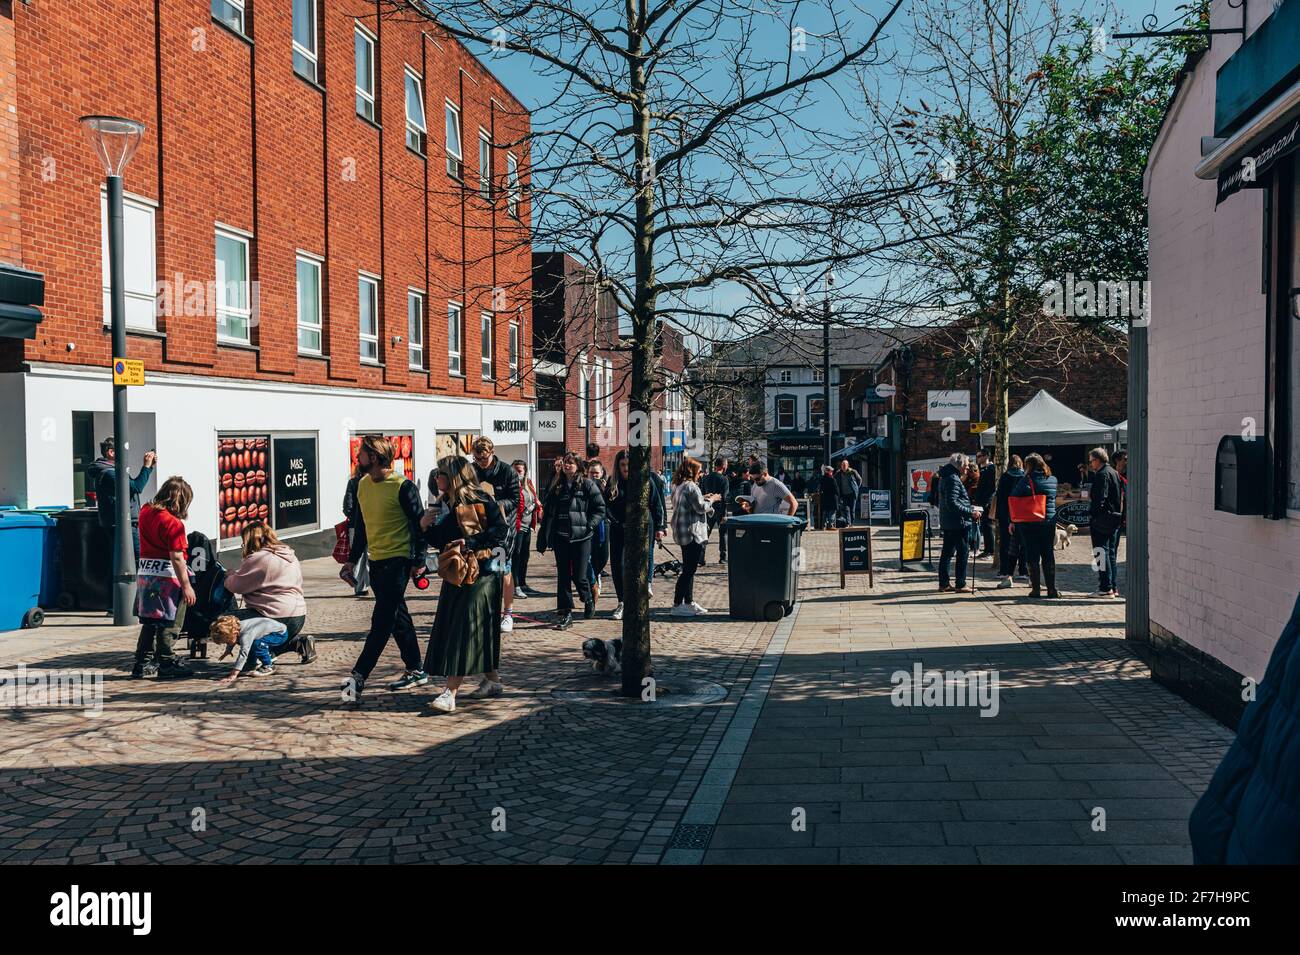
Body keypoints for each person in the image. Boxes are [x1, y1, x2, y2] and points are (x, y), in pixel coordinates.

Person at [341, 435, 429, 700]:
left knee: (381, 622)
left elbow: (420, 525)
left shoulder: (403, 486)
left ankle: (357, 677)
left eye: (362, 453)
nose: (358, 457)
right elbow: (361, 525)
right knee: (397, 617)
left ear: (375, 457)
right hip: (376, 562)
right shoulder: (362, 485)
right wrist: (351, 560)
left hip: (399, 562)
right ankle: (416, 669)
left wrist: (419, 562)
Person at [421, 455, 509, 713]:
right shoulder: (449, 503)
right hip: (459, 574)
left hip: (480, 575)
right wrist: (424, 526)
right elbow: (441, 538)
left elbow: (500, 531)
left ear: (453, 477)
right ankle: (492, 681)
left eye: (441, 473)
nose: (437, 478)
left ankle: (450, 692)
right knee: (471, 627)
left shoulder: (480, 499)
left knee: (463, 628)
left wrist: (469, 542)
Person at [131, 476, 197, 679]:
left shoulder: (145, 512)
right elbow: (177, 557)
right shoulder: (173, 523)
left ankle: (142, 663)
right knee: (170, 622)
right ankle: (167, 662)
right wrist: (186, 586)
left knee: (150, 622)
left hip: (146, 574)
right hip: (168, 579)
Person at [223, 521, 315, 664]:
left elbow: (236, 586)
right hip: (297, 617)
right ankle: (298, 643)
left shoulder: (258, 558)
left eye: (243, 542)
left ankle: (259, 656)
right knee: (270, 636)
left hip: (273, 616)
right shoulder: (289, 555)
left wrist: (229, 576)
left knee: (226, 621)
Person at [538, 451, 606, 628]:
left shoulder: (587, 484)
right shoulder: (557, 484)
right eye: (565, 463)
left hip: (582, 537)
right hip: (561, 537)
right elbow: (548, 509)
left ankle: (588, 597)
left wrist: (589, 524)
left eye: (571, 463)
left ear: (578, 466)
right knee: (563, 576)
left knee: (579, 575)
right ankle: (567, 613)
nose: (567, 465)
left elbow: (600, 508)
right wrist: (545, 536)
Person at [91, 437, 156, 605]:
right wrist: (147, 467)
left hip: (122, 523)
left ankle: (122, 603)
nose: (125, 457)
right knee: (136, 560)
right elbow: (135, 487)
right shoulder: (109, 473)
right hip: (123, 525)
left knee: (124, 562)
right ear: (111, 452)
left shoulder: (110, 470)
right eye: (122, 452)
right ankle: (126, 603)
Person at [606, 449, 667, 621]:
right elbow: (606, 506)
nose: (626, 468)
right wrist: (616, 522)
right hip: (619, 528)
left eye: (628, 465)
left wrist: (660, 527)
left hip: (643, 525)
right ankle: (622, 602)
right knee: (617, 564)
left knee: (645, 556)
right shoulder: (613, 483)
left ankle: (646, 586)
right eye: (622, 465)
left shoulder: (644, 479)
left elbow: (656, 504)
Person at [471, 437, 521, 634]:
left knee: (503, 568)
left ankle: (507, 613)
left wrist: (496, 505)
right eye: (477, 459)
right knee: (482, 568)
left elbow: (515, 500)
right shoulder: (472, 470)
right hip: (480, 527)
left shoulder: (507, 471)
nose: (481, 463)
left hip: (503, 529)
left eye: (483, 459)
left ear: (492, 452)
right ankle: (486, 611)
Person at [670, 457, 719, 616]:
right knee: (689, 570)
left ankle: (689, 602)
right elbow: (700, 507)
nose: (701, 474)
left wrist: (704, 496)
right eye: (699, 472)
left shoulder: (678, 486)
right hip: (693, 533)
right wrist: (712, 499)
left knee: (688, 568)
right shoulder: (691, 487)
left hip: (683, 531)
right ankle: (677, 604)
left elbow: (691, 503)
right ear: (692, 472)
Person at [1010, 452, 1059, 598]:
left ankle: (1036, 589)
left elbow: (1014, 496)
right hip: (1048, 521)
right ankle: (1051, 589)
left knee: (1032, 554)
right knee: (1048, 553)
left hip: (1029, 522)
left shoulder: (1025, 480)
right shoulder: (1052, 479)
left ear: (1029, 466)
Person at [936, 453, 980, 593]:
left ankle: (944, 583)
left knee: (947, 553)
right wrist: (970, 512)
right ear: (959, 465)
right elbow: (952, 503)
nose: (967, 468)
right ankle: (960, 584)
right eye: (966, 465)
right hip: (958, 523)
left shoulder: (947, 476)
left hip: (950, 521)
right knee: (963, 552)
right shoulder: (953, 479)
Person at [1086, 447, 1124, 598]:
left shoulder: (1102, 475)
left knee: (1101, 552)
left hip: (1102, 519)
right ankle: (1112, 586)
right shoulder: (1114, 472)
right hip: (1114, 517)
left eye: (1091, 462)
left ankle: (1105, 587)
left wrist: (1093, 514)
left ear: (1097, 460)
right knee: (1111, 554)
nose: (1091, 465)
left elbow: (1100, 498)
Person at [210, 613, 290, 682]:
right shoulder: (234, 628)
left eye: (227, 642)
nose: (228, 644)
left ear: (235, 633)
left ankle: (268, 665)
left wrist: (234, 674)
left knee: (257, 644)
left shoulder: (246, 635)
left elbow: (243, 653)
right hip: (269, 630)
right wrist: (228, 650)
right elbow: (231, 639)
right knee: (252, 643)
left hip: (279, 634)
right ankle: (251, 664)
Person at [994, 454, 1029, 588]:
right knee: (1022, 544)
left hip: (1005, 515)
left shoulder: (1004, 476)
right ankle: (1023, 570)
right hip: (1020, 515)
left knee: (1006, 543)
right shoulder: (1024, 477)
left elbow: (1000, 496)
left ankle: (1004, 570)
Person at [511, 460, 541, 598]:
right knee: (516, 556)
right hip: (517, 526)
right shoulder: (511, 485)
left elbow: (535, 500)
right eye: (515, 470)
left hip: (528, 525)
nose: (518, 473)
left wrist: (536, 505)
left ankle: (522, 583)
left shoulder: (528, 483)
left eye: (520, 470)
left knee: (524, 556)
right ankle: (515, 586)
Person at [341, 461, 370, 597]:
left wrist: (353, 516)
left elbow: (347, 505)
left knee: (357, 555)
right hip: (372, 523)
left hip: (355, 525)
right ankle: (371, 584)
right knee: (371, 554)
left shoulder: (353, 483)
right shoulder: (373, 483)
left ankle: (359, 587)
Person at [586, 459, 611, 602]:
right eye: (591, 473)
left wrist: (605, 491)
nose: (594, 476)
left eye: (597, 473)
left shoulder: (606, 487)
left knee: (602, 555)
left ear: (602, 474)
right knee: (587, 556)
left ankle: (597, 574)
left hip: (602, 525)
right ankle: (592, 580)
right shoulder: (584, 485)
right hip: (587, 525)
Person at [700, 457, 730, 565]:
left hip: (708, 508)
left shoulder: (705, 478)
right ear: (723, 466)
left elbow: (702, 494)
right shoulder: (724, 479)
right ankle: (723, 557)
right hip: (720, 509)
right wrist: (724, 513)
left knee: (705, 533)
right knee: (723, 534)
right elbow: (725, 497)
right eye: (726, 465)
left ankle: (701, 557)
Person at [974, 450, 996, 558]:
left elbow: (992, 488)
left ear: (987, 456)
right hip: (981, 501)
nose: (978, 458)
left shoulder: (991, 469)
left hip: (986, 502)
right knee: (984, 526)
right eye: (977, 456)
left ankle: (990, 550)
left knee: (988, 525)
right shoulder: (982, 469)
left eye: (980, 456)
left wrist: (987, 502)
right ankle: (988, 549)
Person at [834, 458, 862, 527]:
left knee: (852, 509)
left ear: (848, 465)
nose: (843, 466)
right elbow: (834, 480)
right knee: (846, 509)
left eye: (845, 465)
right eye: (842, 465)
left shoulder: (853, 472)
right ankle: (848, 523)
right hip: (844, 494)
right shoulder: (838, 473)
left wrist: (856, 488)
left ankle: (851, 523)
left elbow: (860, 479)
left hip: (852, 494)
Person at [816, 466, 838, 530]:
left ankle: (823, 525)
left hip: (825, 497)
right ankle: (830, 525)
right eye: (831, 471)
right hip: (832, 498)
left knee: (825, 512)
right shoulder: (832, 479)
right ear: (829, 471)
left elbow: (820, 488)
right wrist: (838, 496)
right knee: (832, 512)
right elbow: (836, 489)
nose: (832, 472)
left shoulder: (822, 479)